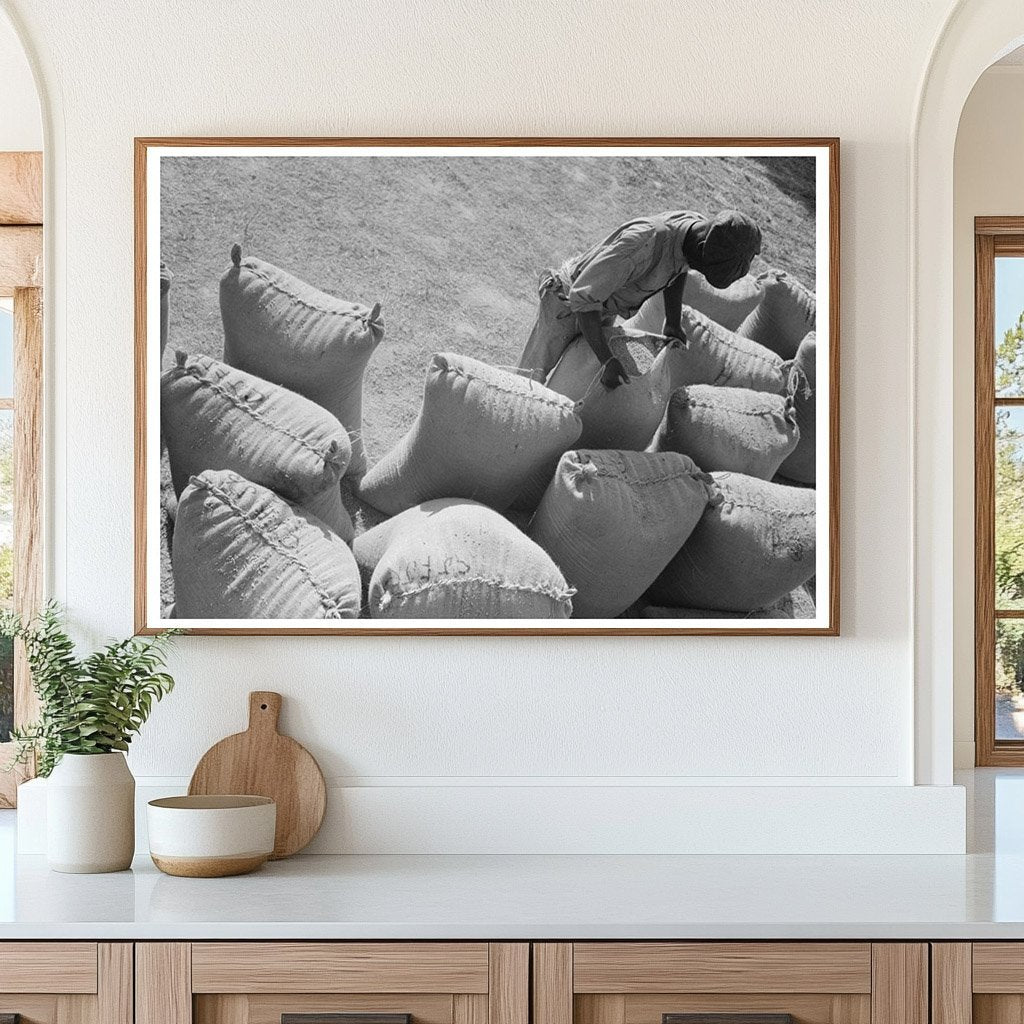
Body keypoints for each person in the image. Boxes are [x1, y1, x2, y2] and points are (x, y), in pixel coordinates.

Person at [518, 209, 762, 388]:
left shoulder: (695, 234)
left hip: (601, 304)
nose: (697, 270)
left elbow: (679, 269)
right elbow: (583, 298)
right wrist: (607, 360)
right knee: (530, 378)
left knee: (572, 380)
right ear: (701, 246)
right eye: (702, 266)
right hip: (567, 303)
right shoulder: (641, 245)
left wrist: (673, 321)